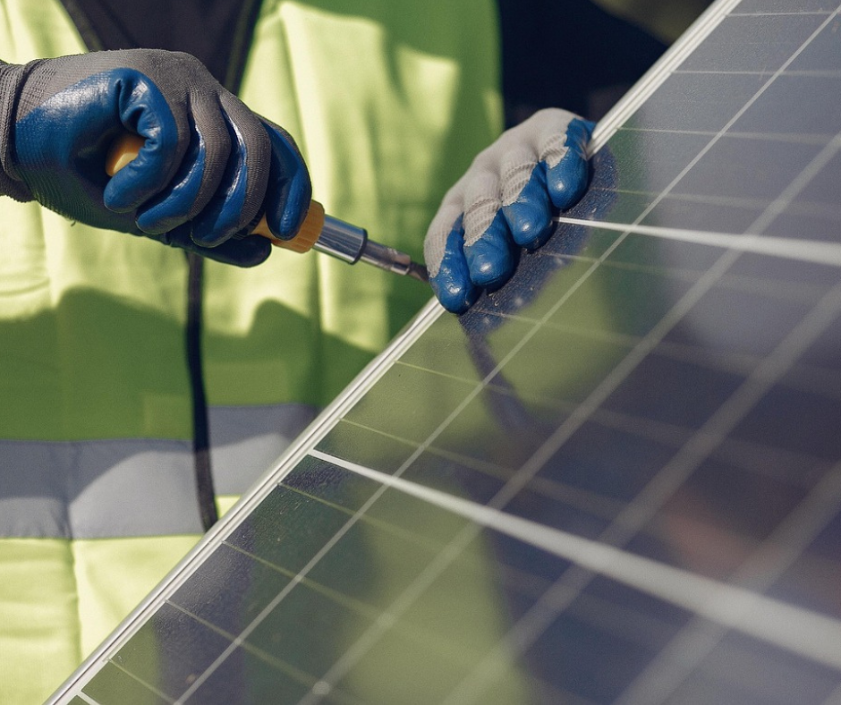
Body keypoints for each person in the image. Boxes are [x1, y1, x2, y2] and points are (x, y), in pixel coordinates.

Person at [0, 0, 664, 701]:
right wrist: (9, 108)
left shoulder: (473, 19)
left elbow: (662, 351)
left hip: (420, 671)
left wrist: (604, 190)